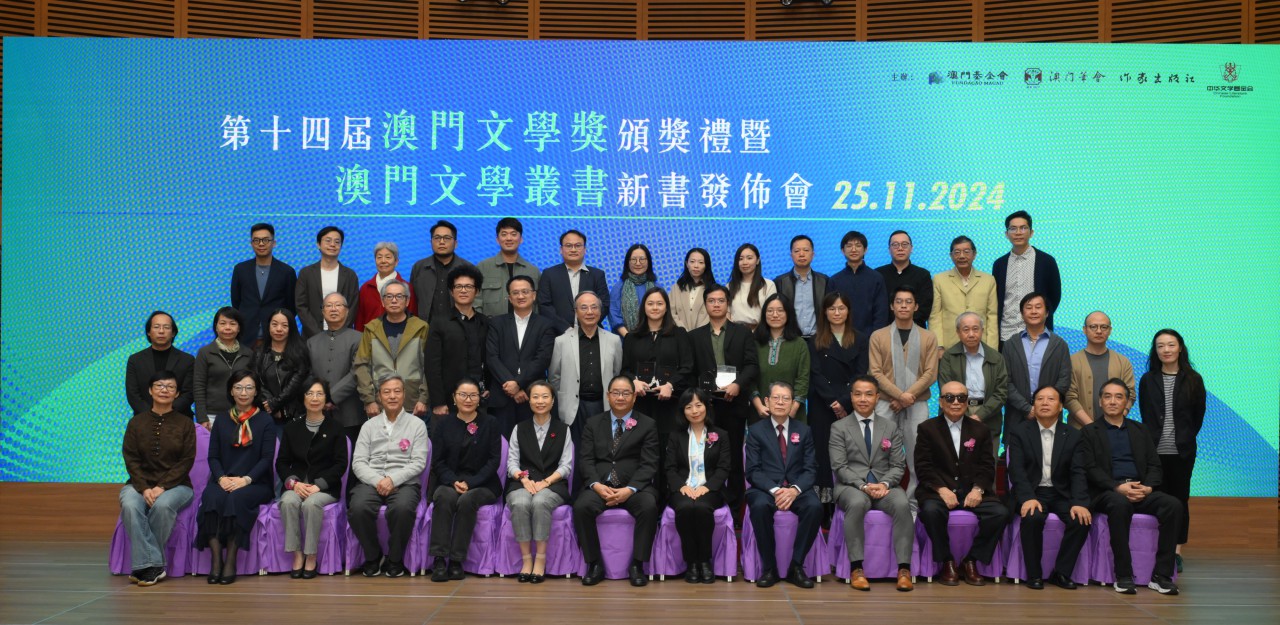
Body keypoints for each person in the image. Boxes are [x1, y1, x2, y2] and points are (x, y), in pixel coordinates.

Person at [1082, 378, 1182, 595]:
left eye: (1118, 397)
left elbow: (1155, 465)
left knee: (1173, 505)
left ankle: (1162, 575)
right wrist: (1117, 487)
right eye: (1107, 396)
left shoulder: (1140, 430)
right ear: (1100, 401)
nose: (1112, 401)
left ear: (1127, 402)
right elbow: (1090, 469)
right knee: (1120, 504)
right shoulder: (1089, 432)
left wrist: (1148, 488)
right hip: (1108, 492)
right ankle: (1124, 575)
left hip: (1140, 490)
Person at [915, 381, 1010, 587]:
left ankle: (971, 560)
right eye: (950, 398)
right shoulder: (927, 429)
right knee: (931, 511)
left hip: (971, 490)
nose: (956, 402)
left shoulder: (981, 430)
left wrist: (978, 489)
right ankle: (946, 561)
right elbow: (923, 467)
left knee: (1000, 513)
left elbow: (987, 465)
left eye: (961, 398)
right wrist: (941, 490)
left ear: (967, 402)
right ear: (941, 402)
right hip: (938, 490)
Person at [573, 375, 661, 588]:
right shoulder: (593, 423)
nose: (620, 397)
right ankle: (595, 564)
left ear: (634, 397)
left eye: (626, 393)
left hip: (634, 489)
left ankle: (637, 565)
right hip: (601, 487)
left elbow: (649, 464)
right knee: (581, 507)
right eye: (616, 393)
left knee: (649, 506)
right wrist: (596, 485)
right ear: (608, 395)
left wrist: (630, 489)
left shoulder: (647, 424)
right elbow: (586, 460)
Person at [829, 376, 913, 592]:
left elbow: (898, 465)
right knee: (857, 503)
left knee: (902, 504)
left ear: (877, 397)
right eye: (857, 394)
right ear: (851, 397)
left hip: (885, 486)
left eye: (868, 394)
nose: (863, 399)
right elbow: (839, 466)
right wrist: (863, 486)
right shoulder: (839, 427)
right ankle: (857, 568)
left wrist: (884, 483)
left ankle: (904, 569)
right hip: (851, 486)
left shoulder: (890, 427)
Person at [1006, 386, 1091, 590]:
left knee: (1080, 520)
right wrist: (1027, 497)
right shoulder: (1019, 432)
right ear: (1033, 405)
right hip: (1032, 492)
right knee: (1033, 517)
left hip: (1061, 493)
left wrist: (1079, 502)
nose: (1045, 403)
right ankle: (1034, 574)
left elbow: (1078, 472)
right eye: (1040, 399)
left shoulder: (1073, 435)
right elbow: (1017, 470)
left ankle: (1061, 573)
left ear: (1061, 406)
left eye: (1051, 399)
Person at [197, 371, 277, 585]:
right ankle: (216, 561)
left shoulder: (265, 420)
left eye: (249, 388)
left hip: (256, 483)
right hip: (224, 479)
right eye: (238, 387)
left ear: (256, 392)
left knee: (236, 499)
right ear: (231, 391)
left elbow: (267, 458)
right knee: (212, 497)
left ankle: (230, 561)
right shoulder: (222, 419)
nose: (243, 392)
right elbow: (213, 456)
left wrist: (246, 480)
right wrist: (221, 478)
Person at [119, 370, 196, 586]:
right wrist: (144, 488)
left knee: (162, 506)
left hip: (178, 486)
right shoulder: (136, 423)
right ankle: (153, 566)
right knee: (130, 505)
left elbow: (186, 461)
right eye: (160, 386)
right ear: (150, 391)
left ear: (177, 393)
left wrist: (162, 486)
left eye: (170, 387)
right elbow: (131, 459)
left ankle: (145, 565)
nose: (164, 390)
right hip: (138, 485)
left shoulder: (185, 423)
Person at [348, 374, 430, 578]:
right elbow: (358, 462)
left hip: (404, 483)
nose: (392, 396)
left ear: (404, 394)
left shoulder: (417, 425)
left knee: (402, 509)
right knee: (357, 507)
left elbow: (418, 462)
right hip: (371, 481)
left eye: (397, 391)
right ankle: (373, 556)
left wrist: (393, 480)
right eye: (387, 392)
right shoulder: (368, 426)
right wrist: (379, 481)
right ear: (379, 396)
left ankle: (395, 558)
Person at [1139, 329, 1205, 573]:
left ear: (1180, 348)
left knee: (1179, 500)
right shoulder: (1148, 379)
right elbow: (1146, 414)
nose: (1166, 350)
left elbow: (1197, 417)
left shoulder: (1194, 379)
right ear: (1155, 351)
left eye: (1170, 345)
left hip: (1182, 453)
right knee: (1156, 498)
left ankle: (1176, 551)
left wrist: (1183, 438)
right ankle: (1157, 547)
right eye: (1160, 346)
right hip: (1154, 452)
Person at [687, 284, 758, 511]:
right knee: (706, 456)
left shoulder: (743, 333)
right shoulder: (694, 337)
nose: (716, 305)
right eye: (711, 301)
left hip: (734, 404)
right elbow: (690, 371)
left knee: (734, 457)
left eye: (720, 301)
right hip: (705, 408)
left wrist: (738, 384)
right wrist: (699, 395)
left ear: (728, 304)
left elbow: (752, 365)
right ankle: (708, 501)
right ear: (705, 305)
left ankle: (736, 507)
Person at [745, 381, 821, 589]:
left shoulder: (804, 430)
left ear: (792, 403)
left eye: (786, 398)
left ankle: (796, 566)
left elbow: (810, 469)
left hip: (797, 489)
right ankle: (769, 568)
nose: (780, 402)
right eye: (776, 398)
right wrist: (777, 490)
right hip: (766, 489)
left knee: (814, 507)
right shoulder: (756, 431)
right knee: (760, 506)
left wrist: (794, 490)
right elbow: (753, 470)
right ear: (767, 401)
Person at [868, 286, 939, 507]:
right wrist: (900, 396)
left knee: (918, 455)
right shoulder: (878, 336)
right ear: (892, 306)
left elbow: (931, 373)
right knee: (880, 453)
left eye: (909, 302)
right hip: (885, 403)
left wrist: (908, 397)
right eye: (899, 302)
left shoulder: (928, 337)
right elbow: (875, 372)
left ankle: (914, 503)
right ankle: (881, 500)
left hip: (917, 404)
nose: (904, 306)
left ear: (916, 306)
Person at [428, 379, 502, 582]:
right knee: (444, 497)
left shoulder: (490, 423)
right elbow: (438, 461)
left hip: (483, 483)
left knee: (468, 500)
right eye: (463, 395)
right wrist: (453, 481)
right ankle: (439, 559)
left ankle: (456, 560)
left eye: (473, 395)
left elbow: (494, 460)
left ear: (479, 398)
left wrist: (471, 483)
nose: (468, 400)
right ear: (454, 398)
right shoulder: (443, 424)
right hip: (450, 482)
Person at [621, 287, 693, 496]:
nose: (655, 307)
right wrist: (633, 381)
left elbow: (688, 367)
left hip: (670, 405)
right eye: (650, 303)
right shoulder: (632, 337)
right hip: (641, 405)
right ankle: (641, 497)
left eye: (659, 303)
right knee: (641, 451)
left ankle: (668, 499)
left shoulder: (679, 334)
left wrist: (671, 385)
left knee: (667, 454)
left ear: (666, 307)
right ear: (643, 307)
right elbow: (625, 369)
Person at [276, 377, 347, 579]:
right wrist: (293, 484)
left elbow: (340, 464)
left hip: (324, 488)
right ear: (303, 398)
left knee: (311, 504)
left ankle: (311, 555)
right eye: (310, 394)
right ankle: (297, 554)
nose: (315, 398)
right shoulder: (291, 428)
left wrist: (318, 486)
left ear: (326, 399)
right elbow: (282, 462)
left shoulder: (335, 428)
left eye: (319, 394)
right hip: (297, 484)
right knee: (288, 501)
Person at [506, 380, 574, 584]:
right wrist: (523, 478)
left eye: (545, 397)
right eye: (535, 397)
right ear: (529, 401)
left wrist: (546, 481)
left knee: (540, 502)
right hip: (522, 482)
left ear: (553, 401)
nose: (540, 401)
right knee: (520, 503)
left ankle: (540, 560)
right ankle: (527, 560)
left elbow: (566, 465)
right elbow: (511, 462)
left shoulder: (563, 429)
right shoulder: (519, 428)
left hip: (553, 484)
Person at [807, 292, 869, 504]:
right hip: (822, 403)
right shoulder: (815, 340)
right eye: (832, 308)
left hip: (851, 402)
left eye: (841, 308)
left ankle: (852, 496)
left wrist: (843, 401)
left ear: (848, 311)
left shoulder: (860, 338)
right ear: (824, 312)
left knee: (850, 451)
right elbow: (815, 374)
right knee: (822, 451)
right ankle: (823, 503)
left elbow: (860, 373)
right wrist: (833, 402)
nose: (836, 312)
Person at [665, 388, 730, 584]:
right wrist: (680, 486)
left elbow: (724, 467)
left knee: (702, 507)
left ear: (707, 407)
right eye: (689, 406)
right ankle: (691, 562)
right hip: (683, 488)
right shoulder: (675, 436)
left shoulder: (721, 435)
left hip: (710, 488)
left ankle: (704, 561)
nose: (694, 411)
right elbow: (669, 468)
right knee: (685, 508)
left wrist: (708, 487)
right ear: (682, 411)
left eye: (699, 405)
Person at [549, 291, 623, 445]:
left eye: (594, 307)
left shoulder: (614, 340)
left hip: (603, 405)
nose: (590, 312)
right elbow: (554, 377)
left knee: (603, 450)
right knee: (575, 451)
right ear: (576, 312)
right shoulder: (561, 341)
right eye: (584, 307)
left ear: (600, 311)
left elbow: (617, 373)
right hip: (573, 408)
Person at [486, 275, 557, 436]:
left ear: (534, 295)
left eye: (525, 291)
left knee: (531, 444)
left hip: (531, 395)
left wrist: (519, 383)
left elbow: (542, 359)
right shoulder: (497, 323)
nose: (520, 296)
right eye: (515, 293)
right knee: (502, 445)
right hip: (502, 398)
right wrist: (512, 386)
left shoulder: (545, 325)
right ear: (509, 298)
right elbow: (492, 357)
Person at [353, 280, 430, 422]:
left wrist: (423, 399)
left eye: (399, 296)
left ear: (407, 301)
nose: (394, 300)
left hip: (413, 404)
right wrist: (369, 400)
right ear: (382, 302)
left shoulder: (421, 328)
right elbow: (361, 366)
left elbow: (430, 366)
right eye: (389, 296)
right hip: (379, 405)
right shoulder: (371, 329)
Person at [937, 312, 1009, 458]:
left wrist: (980, 415)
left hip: (988, 414)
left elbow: (1001, 392)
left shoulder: (996, 358)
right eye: (966, 329)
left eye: (975, 329)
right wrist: (964, 416)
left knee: (987, 465)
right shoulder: (949, 357)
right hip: (956, 413)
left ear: (982, 330)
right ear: (958, 332)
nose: (971, 334)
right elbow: (946, 390)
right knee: (956, 464)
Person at [425, 265, 489, 419]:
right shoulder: (439, 322)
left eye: (468, 286)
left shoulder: (485, 322)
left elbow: (490, 358)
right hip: (448, 400)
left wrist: (489, 387)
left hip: (479, 398)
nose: (463, 290)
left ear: (477, 291)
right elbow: (432, 365)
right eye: (458, 286)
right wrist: (438, 402)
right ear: (451, 291)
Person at [1002, 292, 1072, 424]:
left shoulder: (1060, 345)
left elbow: (1064, 379)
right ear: (1022, 314)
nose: (1033, 311)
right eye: (1029, 308)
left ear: (1047, 313)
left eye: (1038, 307)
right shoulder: (1010, 345)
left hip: (1050, 415)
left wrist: (1046, 404)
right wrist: (1026, 408)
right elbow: (1005, 382)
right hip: (1016, 415)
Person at [993, 211, 1062, 343]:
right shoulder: (999, 264)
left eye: (1023, 228)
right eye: (1013, 228)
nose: (1018, 232)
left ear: (1031, 232)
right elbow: (997, 298)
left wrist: (1039, 317)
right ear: (1006, 234)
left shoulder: (1046, 261)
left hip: (1037, 334)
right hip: (1006, 334)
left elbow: (1055, 296)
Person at [306, 293, 364, 444]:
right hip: (318, 413)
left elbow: (357, 373)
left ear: (347, 311)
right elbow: (308, 374)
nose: (333, 309)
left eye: (338, 305)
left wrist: (330, 397)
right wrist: (318, 397)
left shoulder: (360, 338)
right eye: (329, 305)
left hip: (350, 415)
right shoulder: (312, 342)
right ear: (323, 311)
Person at [230, 222, 297, 346]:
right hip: (246, 336)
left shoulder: (287, 272)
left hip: (276, 338)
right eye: (256, 240)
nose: (261, 244)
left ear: (274, 243)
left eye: (266, 240)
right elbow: (236, 303)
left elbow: (291, 307)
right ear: (251, 243)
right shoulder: (240, 269)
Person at [1066, 311, 1136, 429]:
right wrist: (1093, 427)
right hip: (1080, 431)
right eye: (1093, 327)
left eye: (1104, 327)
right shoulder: (1071, 361)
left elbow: (1130, 395)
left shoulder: (1123, 362)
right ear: (1084, 329)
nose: (1099, 331)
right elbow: (1069, 398)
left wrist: (1115, 422)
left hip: (1115, 430)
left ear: (1110, 330)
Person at [929, 236, 998, 349]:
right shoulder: (939, 280)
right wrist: (939, 346)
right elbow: (935, 316)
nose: (961, 256)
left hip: (981, 345)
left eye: (966, 251)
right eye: (957, 252)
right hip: (950, 345)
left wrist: (992, 349)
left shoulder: (988, 280)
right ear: (951, 255)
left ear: (974, 254)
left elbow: (992, 316)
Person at [750, 294, 810, 423]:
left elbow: (803, 379)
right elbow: (749, 377)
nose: (775, 315)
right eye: (770, 311)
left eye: (780, 310)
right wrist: (759, 406)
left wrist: (792, 409)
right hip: (761, 412)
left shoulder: (800, 344)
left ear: (788, 313)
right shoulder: (754, 343)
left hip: (792, 414)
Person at [538, 229, 610, 334]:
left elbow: (604, 304)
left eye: (578, 246)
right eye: (568, 246)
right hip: (557, 334)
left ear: (585, 249)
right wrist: (565, 329)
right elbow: (544, 306)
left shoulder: (597, 275)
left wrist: (587, 325)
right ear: (561, 249)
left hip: (590, 333)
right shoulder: (549, 274)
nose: (573, 249)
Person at [126, 311, 195, 418]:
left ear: (173, 333)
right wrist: (152, 415)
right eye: (156, 327)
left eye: (166, 327)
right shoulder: (135, 360)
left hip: (179, 419)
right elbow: (133, 394)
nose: (161, 331)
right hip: (144, 419)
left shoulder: (187, 360)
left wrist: (167, 412)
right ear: (148, 332)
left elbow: (189, 393)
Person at [295, 225, 359, 339]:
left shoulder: (350, 275)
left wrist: (339, 333)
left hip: (342, 338)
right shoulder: (306, 273)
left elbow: (353, 307)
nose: (332, 244)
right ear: (318, 244)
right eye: (328, 240)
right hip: (311, 337)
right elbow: (301, 306)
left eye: (337, 242)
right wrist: (318, 335)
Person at [193, 307, 253, 427]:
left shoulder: (248, 353)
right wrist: (202, 417)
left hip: (243, 414)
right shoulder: (205, 352)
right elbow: (198, 386)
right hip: (212, 415)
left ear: (239, 328)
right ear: (216, 326)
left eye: (232, 324)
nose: (227, 327)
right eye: (223, 323)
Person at [250, 309, 311, 423]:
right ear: (268, 327)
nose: (279, 329)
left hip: (295, 415)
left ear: (291, 328)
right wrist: (269, 405)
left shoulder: (300, 352)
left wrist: (276, 404)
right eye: (274, 324)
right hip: (265, 413)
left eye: (284, 325)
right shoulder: (259, 353)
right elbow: (256, 381)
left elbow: (296, 384)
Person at [410, 220, 474, 324]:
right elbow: (412, 301)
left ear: (455, 243)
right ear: (431, 242)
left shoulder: (468, 268)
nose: (442, 242)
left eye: (447, 238)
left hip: (458, 327)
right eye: (437, 238)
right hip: (425, 327)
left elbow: (475, 301)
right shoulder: (419, 267)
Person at [827, 230, 888, 338]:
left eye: (858, 245)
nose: (853, 249)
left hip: (870, 338)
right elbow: (829, 312)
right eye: (849, 246)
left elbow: (881, 312)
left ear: (865, 250)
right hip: (841, 337)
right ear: (843, 250)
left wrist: (875, 337)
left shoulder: (876, 278)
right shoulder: (834, 280)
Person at [475, 217, 541, 316]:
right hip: (489, 324)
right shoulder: (483, 267)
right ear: (497, 240)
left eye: (513, 234)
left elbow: (538, 306)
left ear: (521, 239)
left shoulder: (533, 271)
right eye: (504, 234)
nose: (509, 238)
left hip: (525, 325)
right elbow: (475, 300)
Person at [775, 235, 829, 338]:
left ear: (813, 254)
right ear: (791, 255)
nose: (801, 254)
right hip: (790, 339)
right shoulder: (780, 282)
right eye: (797, 251)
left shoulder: (824, 281)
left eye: (806, 250)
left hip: (818, 339)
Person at [875, 230, 932, 329]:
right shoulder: (878, 275)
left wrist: (905, 325)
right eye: (895, 245)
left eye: (904, 244)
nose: (900, 248)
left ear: (911, 248)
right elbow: (876, 308)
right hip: (885, 331)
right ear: (889, 249)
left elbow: (924, 308)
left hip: (915, 331)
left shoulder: (923, 275)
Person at [356, 242, 417, 331]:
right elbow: (360, 319)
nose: (383, 261)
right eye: (379, 257)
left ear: (396, 261)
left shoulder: (406, 287)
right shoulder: (365, 288)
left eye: (388, 257)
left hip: (399, 337)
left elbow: (413, 317)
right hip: (370, 336)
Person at [610, 243, 660, 337]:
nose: (638, 263)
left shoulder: (657, 287)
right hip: (626, 339)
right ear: (627, 262)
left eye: (642, 259)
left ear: (648, 262)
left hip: (655, 338)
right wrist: (629, 338)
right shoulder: (618, 287)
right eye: (633, 259)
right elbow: (614, 315)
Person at [727, 243, 777, 330]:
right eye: (740, 259)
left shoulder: (769, 285)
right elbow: (726, 313)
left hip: (760, 332)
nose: (745, 262)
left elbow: (771, 312)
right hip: (735, 333)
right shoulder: (729, 286)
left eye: (749, 258)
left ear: (757, 260)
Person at [669, 248, 716, 331]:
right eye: (692, 261)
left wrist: (697, 333)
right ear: (686, 264)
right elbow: (671, 312)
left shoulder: (714, 289)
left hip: (705, 334)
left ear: (706, 265)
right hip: (680, 333)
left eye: (701, 262)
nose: (696, 266)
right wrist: (682, 330)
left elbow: (715, 313)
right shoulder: (676, 288)